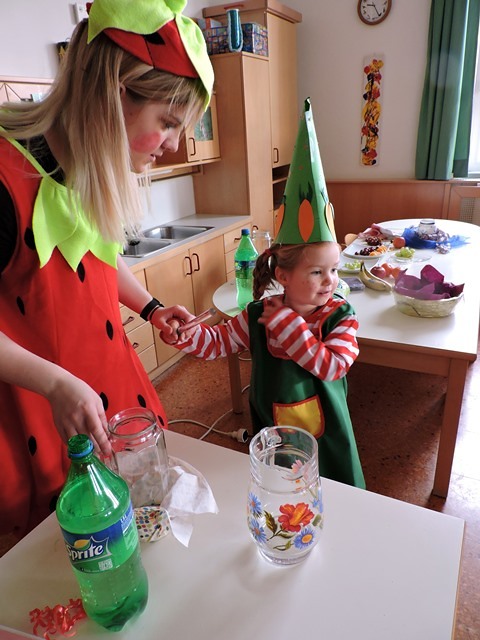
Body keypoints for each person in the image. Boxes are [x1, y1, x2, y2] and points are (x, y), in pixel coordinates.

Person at [0, 0, 213, 543]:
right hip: (38, 415)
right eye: (168, 122)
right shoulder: (5, 180)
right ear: (117, 94)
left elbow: (94, 258)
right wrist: (54, 382)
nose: (174, 146)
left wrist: (152, 307)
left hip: (108, 394)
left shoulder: (83, 165)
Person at [163, 100, 365, 489]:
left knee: (333, 492)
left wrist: (290, 325)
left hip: (328, 438)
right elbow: (218, 342)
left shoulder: (342, 316)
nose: (330, 281)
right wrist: (188, 336)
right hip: (273, 432)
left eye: (334, 269)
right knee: (279, 491)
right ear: (284, 275)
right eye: (317, 272)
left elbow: (332, 367)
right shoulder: (259, 313)